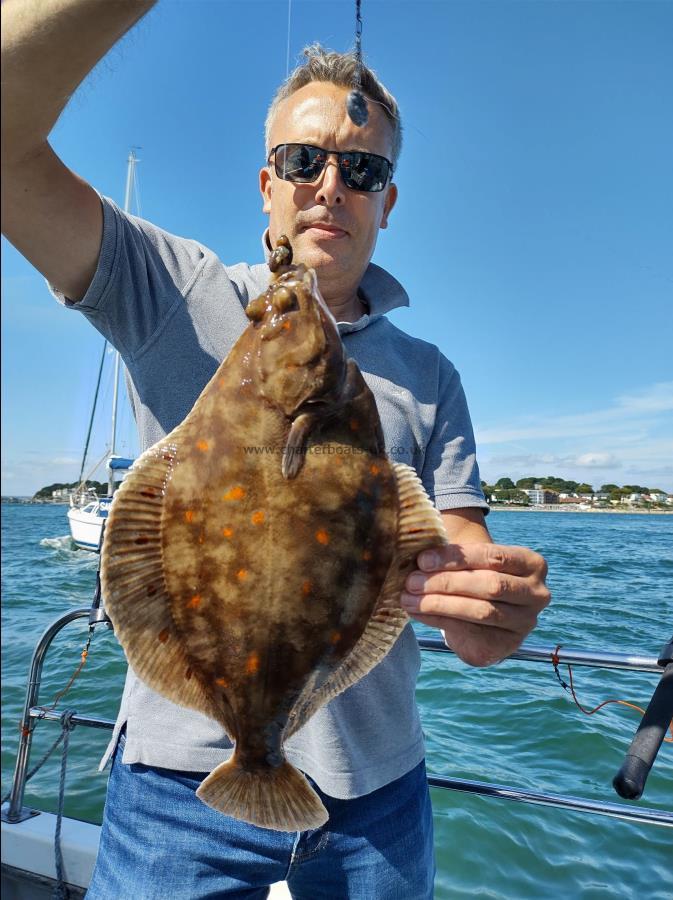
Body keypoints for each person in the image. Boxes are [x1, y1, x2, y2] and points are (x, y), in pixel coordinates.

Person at [2, 2, 551, 897]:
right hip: (177, 792)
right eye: (304, 161)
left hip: (378, 797)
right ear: (267, 184)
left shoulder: (429, 374)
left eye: (361, 167)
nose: (330, 186)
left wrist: (486, 606)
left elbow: (460, 565)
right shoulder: (173, 294)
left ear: (388, 199)